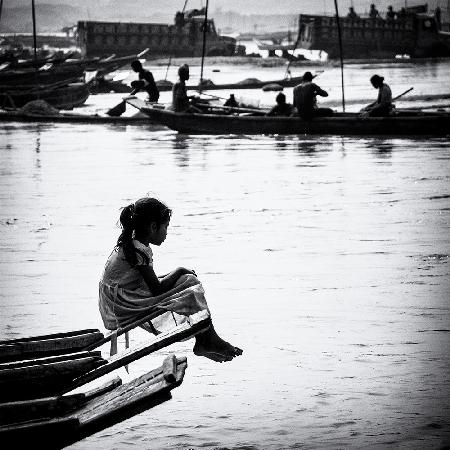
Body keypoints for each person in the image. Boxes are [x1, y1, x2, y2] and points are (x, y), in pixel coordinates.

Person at [99, 197, 243, 363]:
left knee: (186, 280)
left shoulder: (133, 244)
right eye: (165, 226)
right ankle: (207, 340)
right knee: (188, 283)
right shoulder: (138, 250)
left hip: (121, 297)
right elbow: (157, 289)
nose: (167, 232)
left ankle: (205, 339)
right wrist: (179, 270)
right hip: (122, 304)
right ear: (153, 227)